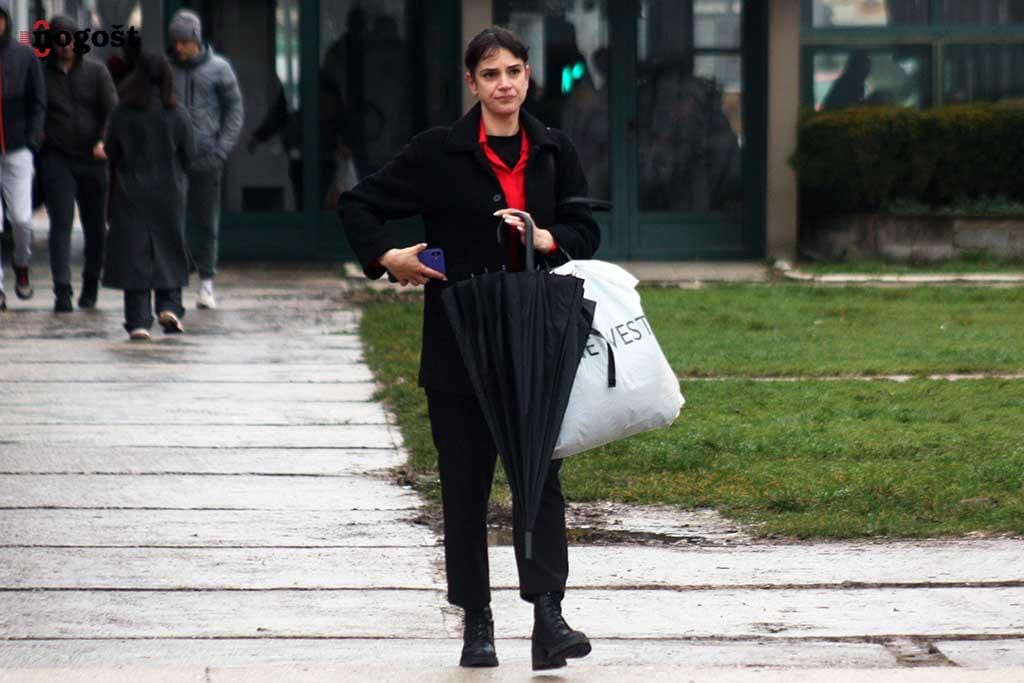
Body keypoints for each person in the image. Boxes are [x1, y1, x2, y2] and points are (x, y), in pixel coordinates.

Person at [339, 27, 599, 671]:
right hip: (458, 344)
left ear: (528, 75)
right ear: (472, 83)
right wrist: (389, 258)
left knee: (540, 482)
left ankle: (548, 617)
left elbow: (585, 228)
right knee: (464, 489)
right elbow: (359, 204)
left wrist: (549, 239)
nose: (504, 84)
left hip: (533, 341)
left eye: (513, 71)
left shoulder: (553, 149)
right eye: (490, 74)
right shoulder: (438, 152)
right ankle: (476, 623)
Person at [102, 52, 194, 341]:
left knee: (135, 254)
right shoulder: (176, 112)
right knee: (169, 247)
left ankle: (138, 319)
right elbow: (189, 153)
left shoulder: (122, 111)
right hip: (169, 191)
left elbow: (111, 149)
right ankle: (169, 306)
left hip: (132, 190)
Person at [40, 15, 118, 312]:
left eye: (70, 39)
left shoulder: (97, 73)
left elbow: (112, 112)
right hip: (57, 157)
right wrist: (38, 136)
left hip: (93, 160)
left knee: (95, 228)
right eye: (59, 39)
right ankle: (62, 290)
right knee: (61, 224)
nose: (65, 45)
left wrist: (103, 141)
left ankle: (90, 285)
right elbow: (35, 108)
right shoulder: (42, 74)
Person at [167, 9, 243, 310]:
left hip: (208, 156)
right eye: (175, 42)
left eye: (183, 41)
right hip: (173, 159)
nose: (178, 47)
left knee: (207, 221)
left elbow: (234, 111)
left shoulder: (219, 69)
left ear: (196, 40)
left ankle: (207, 282)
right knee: (173, 219)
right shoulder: (167, 70)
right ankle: (176, 278)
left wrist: (221, 150)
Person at [0, 0, 46, 310]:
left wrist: (32, 139)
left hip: (17, 148)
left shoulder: (24, 56)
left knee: (21, 219)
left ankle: (21, 262)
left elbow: (38, 100)